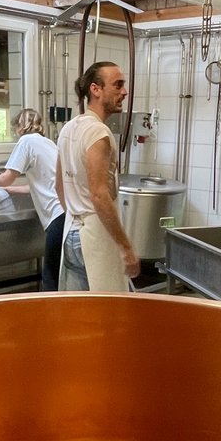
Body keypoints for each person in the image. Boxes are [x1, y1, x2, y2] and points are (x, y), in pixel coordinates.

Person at [55, 61, 139, 292]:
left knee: (79, 313)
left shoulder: (68, 129)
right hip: (95, 238)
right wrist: (126, 248)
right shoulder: (98, 133)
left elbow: (59, 186)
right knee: (108, 313)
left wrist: (76, 213)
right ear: (96, 89)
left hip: (71, 234)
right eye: (118, 85)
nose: (125, 91)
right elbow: (99, 195)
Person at [0, 109, 66, 291]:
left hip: (56, 217)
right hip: (68, 214)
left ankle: (50, 317)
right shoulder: (49, 143)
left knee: (50, 277)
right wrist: (10, 190)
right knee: (60, 275)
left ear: (21, 125)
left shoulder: (26, 141)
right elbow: (37, 185)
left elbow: (7, 177)